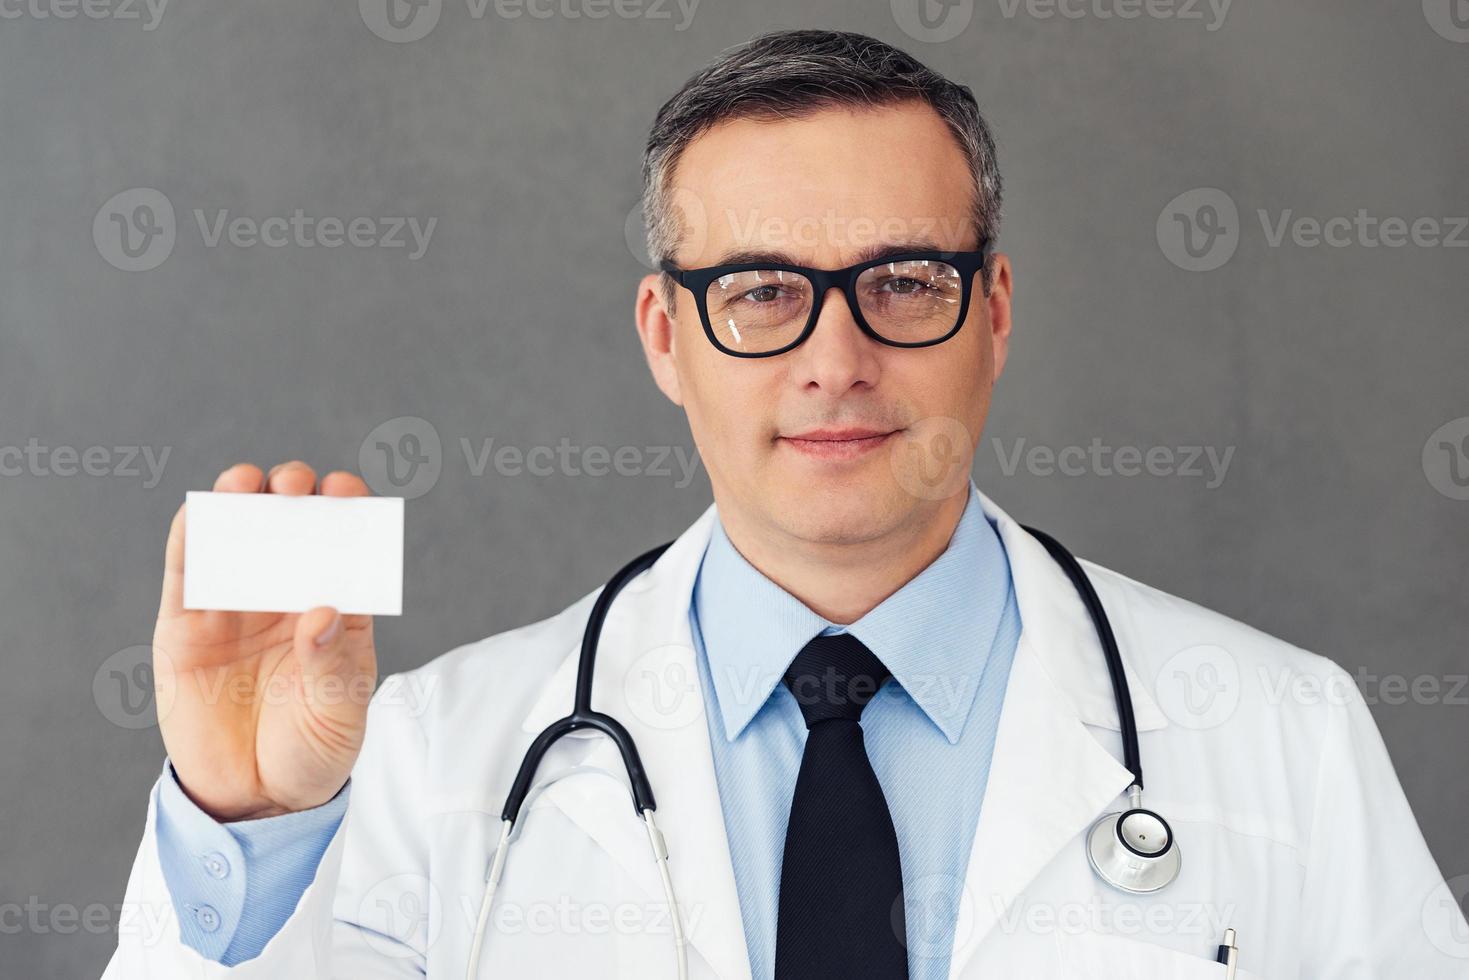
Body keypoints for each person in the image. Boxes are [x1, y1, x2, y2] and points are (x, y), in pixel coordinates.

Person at [102, 29, 1466, 980]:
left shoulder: (1281, 732)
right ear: (662, 336)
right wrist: (247, 824)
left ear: (992, 313)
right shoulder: (423, 759)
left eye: (904, 279)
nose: (834, 357)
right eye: (759, 289)